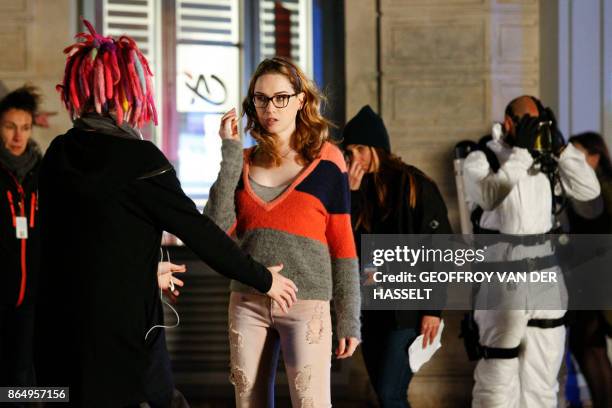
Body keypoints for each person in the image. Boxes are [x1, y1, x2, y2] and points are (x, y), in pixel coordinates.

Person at [35, 21, 297, 408]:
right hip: (122, 343)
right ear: (129, 93)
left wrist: (142, 271)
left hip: (58, 334)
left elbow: (77, 249)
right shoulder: (139, 161)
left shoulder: (58, 154)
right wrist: (262, 279)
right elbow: (200, 232)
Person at [203, 56, 361, 407]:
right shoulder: (241, 160)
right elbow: (213, 230)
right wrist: (229, 153)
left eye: (280, 98)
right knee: (249, 403)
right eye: (261, 99)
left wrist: (349, 318)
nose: (269, 108)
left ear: (301, 99)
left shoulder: (328, 160)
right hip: (247, 301)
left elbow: (343, 245)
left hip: (308, 304)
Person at [463, 95, 601, 407]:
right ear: (509, 121)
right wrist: (521, 155)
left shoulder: (548, 161)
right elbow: (488, 196)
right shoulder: (483, 157)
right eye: (527, 123)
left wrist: (562, 149)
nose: (532, 131)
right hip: (502, 280)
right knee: (498, 381)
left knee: (543, 382)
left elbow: (589, 191)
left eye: (538, 124)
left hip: (546, 280)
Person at [342, 105, 452, 407]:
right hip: (370, 308)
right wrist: (350, 195)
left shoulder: (414, 185)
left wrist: (433, 309)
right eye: (349, 152)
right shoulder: (355, 191)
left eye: (361, 149)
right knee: (385, 392)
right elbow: (345, 247)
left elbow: (440, 248)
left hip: (406, 309)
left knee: (391, 393)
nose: (355, 159)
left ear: (377, 148)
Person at [0, 86, 43, 394]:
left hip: (33, 294)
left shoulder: (41, 173)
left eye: (25, 128)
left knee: (25, 373)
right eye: (10, 127)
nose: (18, 136)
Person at [567, 132, 612, 408]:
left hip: (598, 280)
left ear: (594, 157)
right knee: (588, 346)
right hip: (589, 278)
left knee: (589, 346)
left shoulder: (602, 187)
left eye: (578, 155)